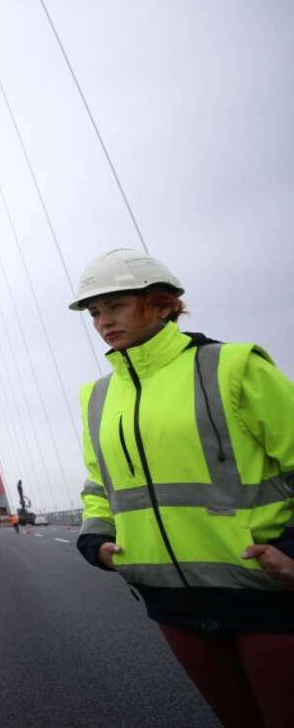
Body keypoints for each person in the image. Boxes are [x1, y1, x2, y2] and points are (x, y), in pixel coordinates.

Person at [71, 248, 294, 727]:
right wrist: (94, 539)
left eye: (116, 306)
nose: (103, 322)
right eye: (94, 312)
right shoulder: (98, 396)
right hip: (168, 597)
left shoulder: (232, 366)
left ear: (162, 304)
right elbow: (100, 483)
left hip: (261, 590)